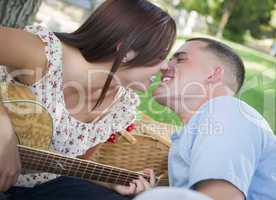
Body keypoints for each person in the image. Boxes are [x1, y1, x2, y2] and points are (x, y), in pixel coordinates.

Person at [0, 0, 176, 199]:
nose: (165, 67)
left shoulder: (120, 107)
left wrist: (108, 182)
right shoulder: (43, 54)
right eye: (161, 55)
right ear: (125, 51)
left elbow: (67, 166)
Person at [135, 38, 276, 200]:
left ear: (213, 74)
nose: (165, 66)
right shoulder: (198, 128)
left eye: (180, 59)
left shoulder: (225, 110)